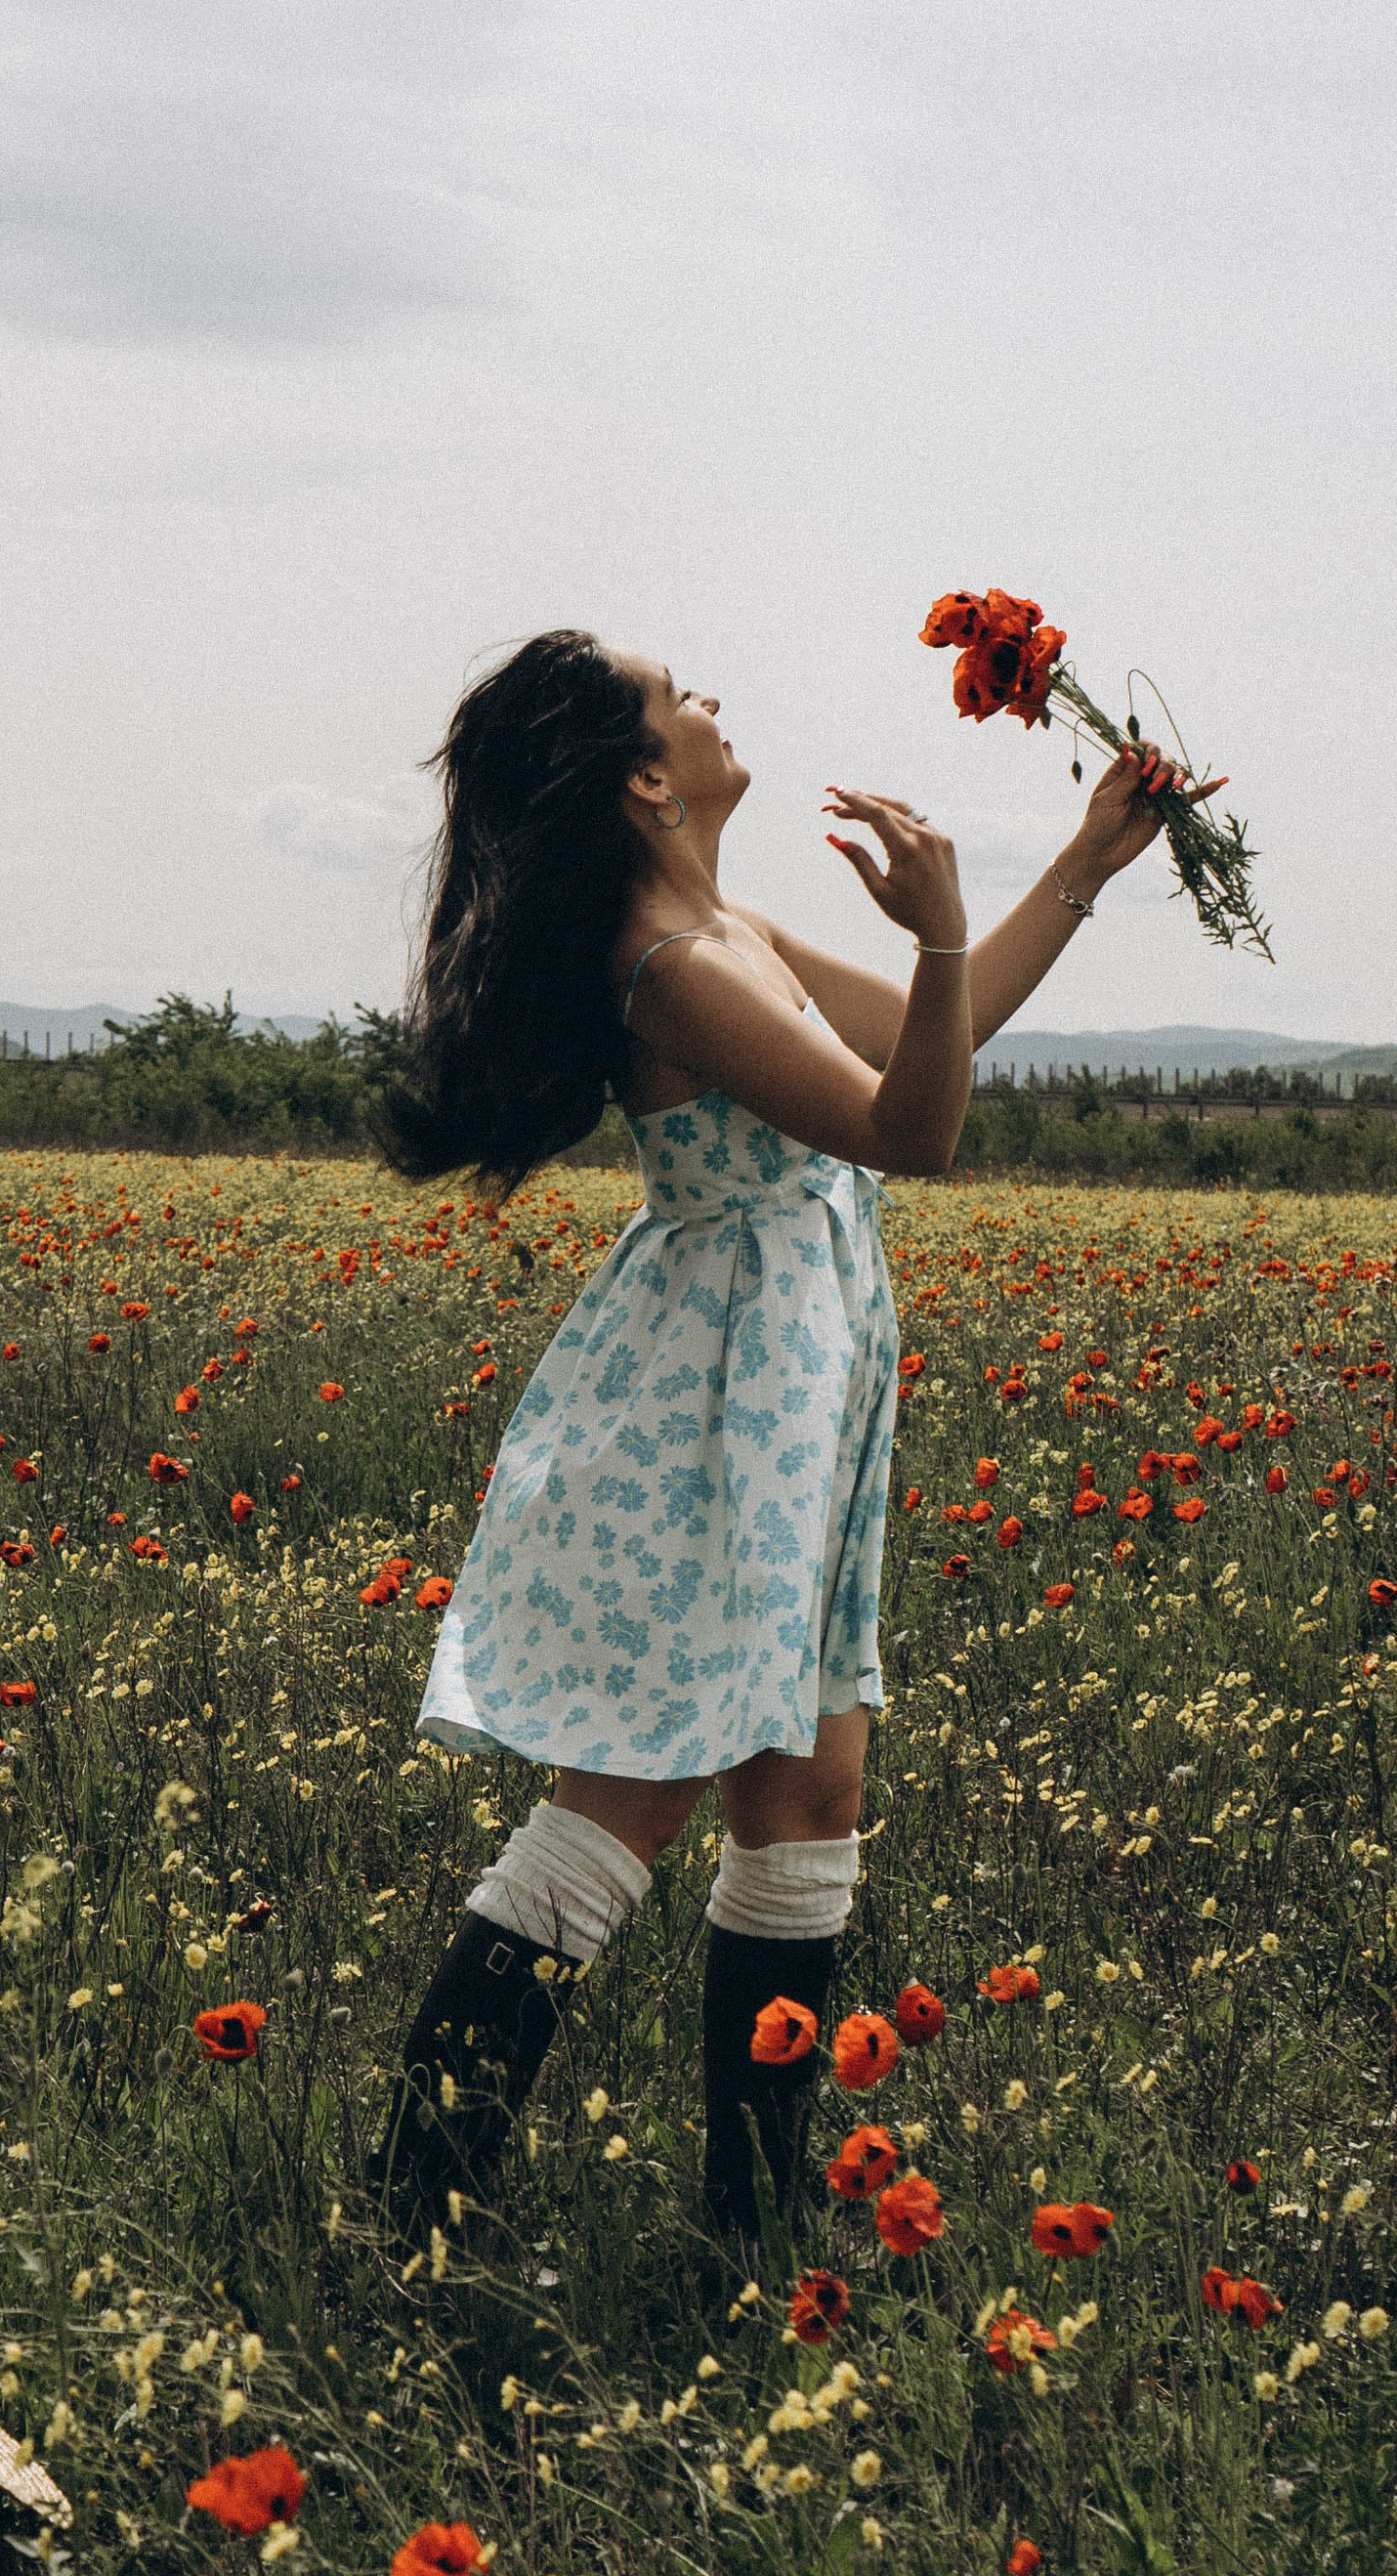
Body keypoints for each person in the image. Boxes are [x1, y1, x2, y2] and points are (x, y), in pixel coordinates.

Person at [375, 628, 1179, 2239]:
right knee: (629, 1798)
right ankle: (412, 2211)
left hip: (784, 1389)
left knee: (807, 1794)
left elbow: (922, 1038)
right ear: (645, 778)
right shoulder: (667, 966)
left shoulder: (718, 923)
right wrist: (942, 932)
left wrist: (1082, 862)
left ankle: (749, 2232)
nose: (718, 702)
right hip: (712, 1408)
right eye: (685, 699)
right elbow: (914, 1128)